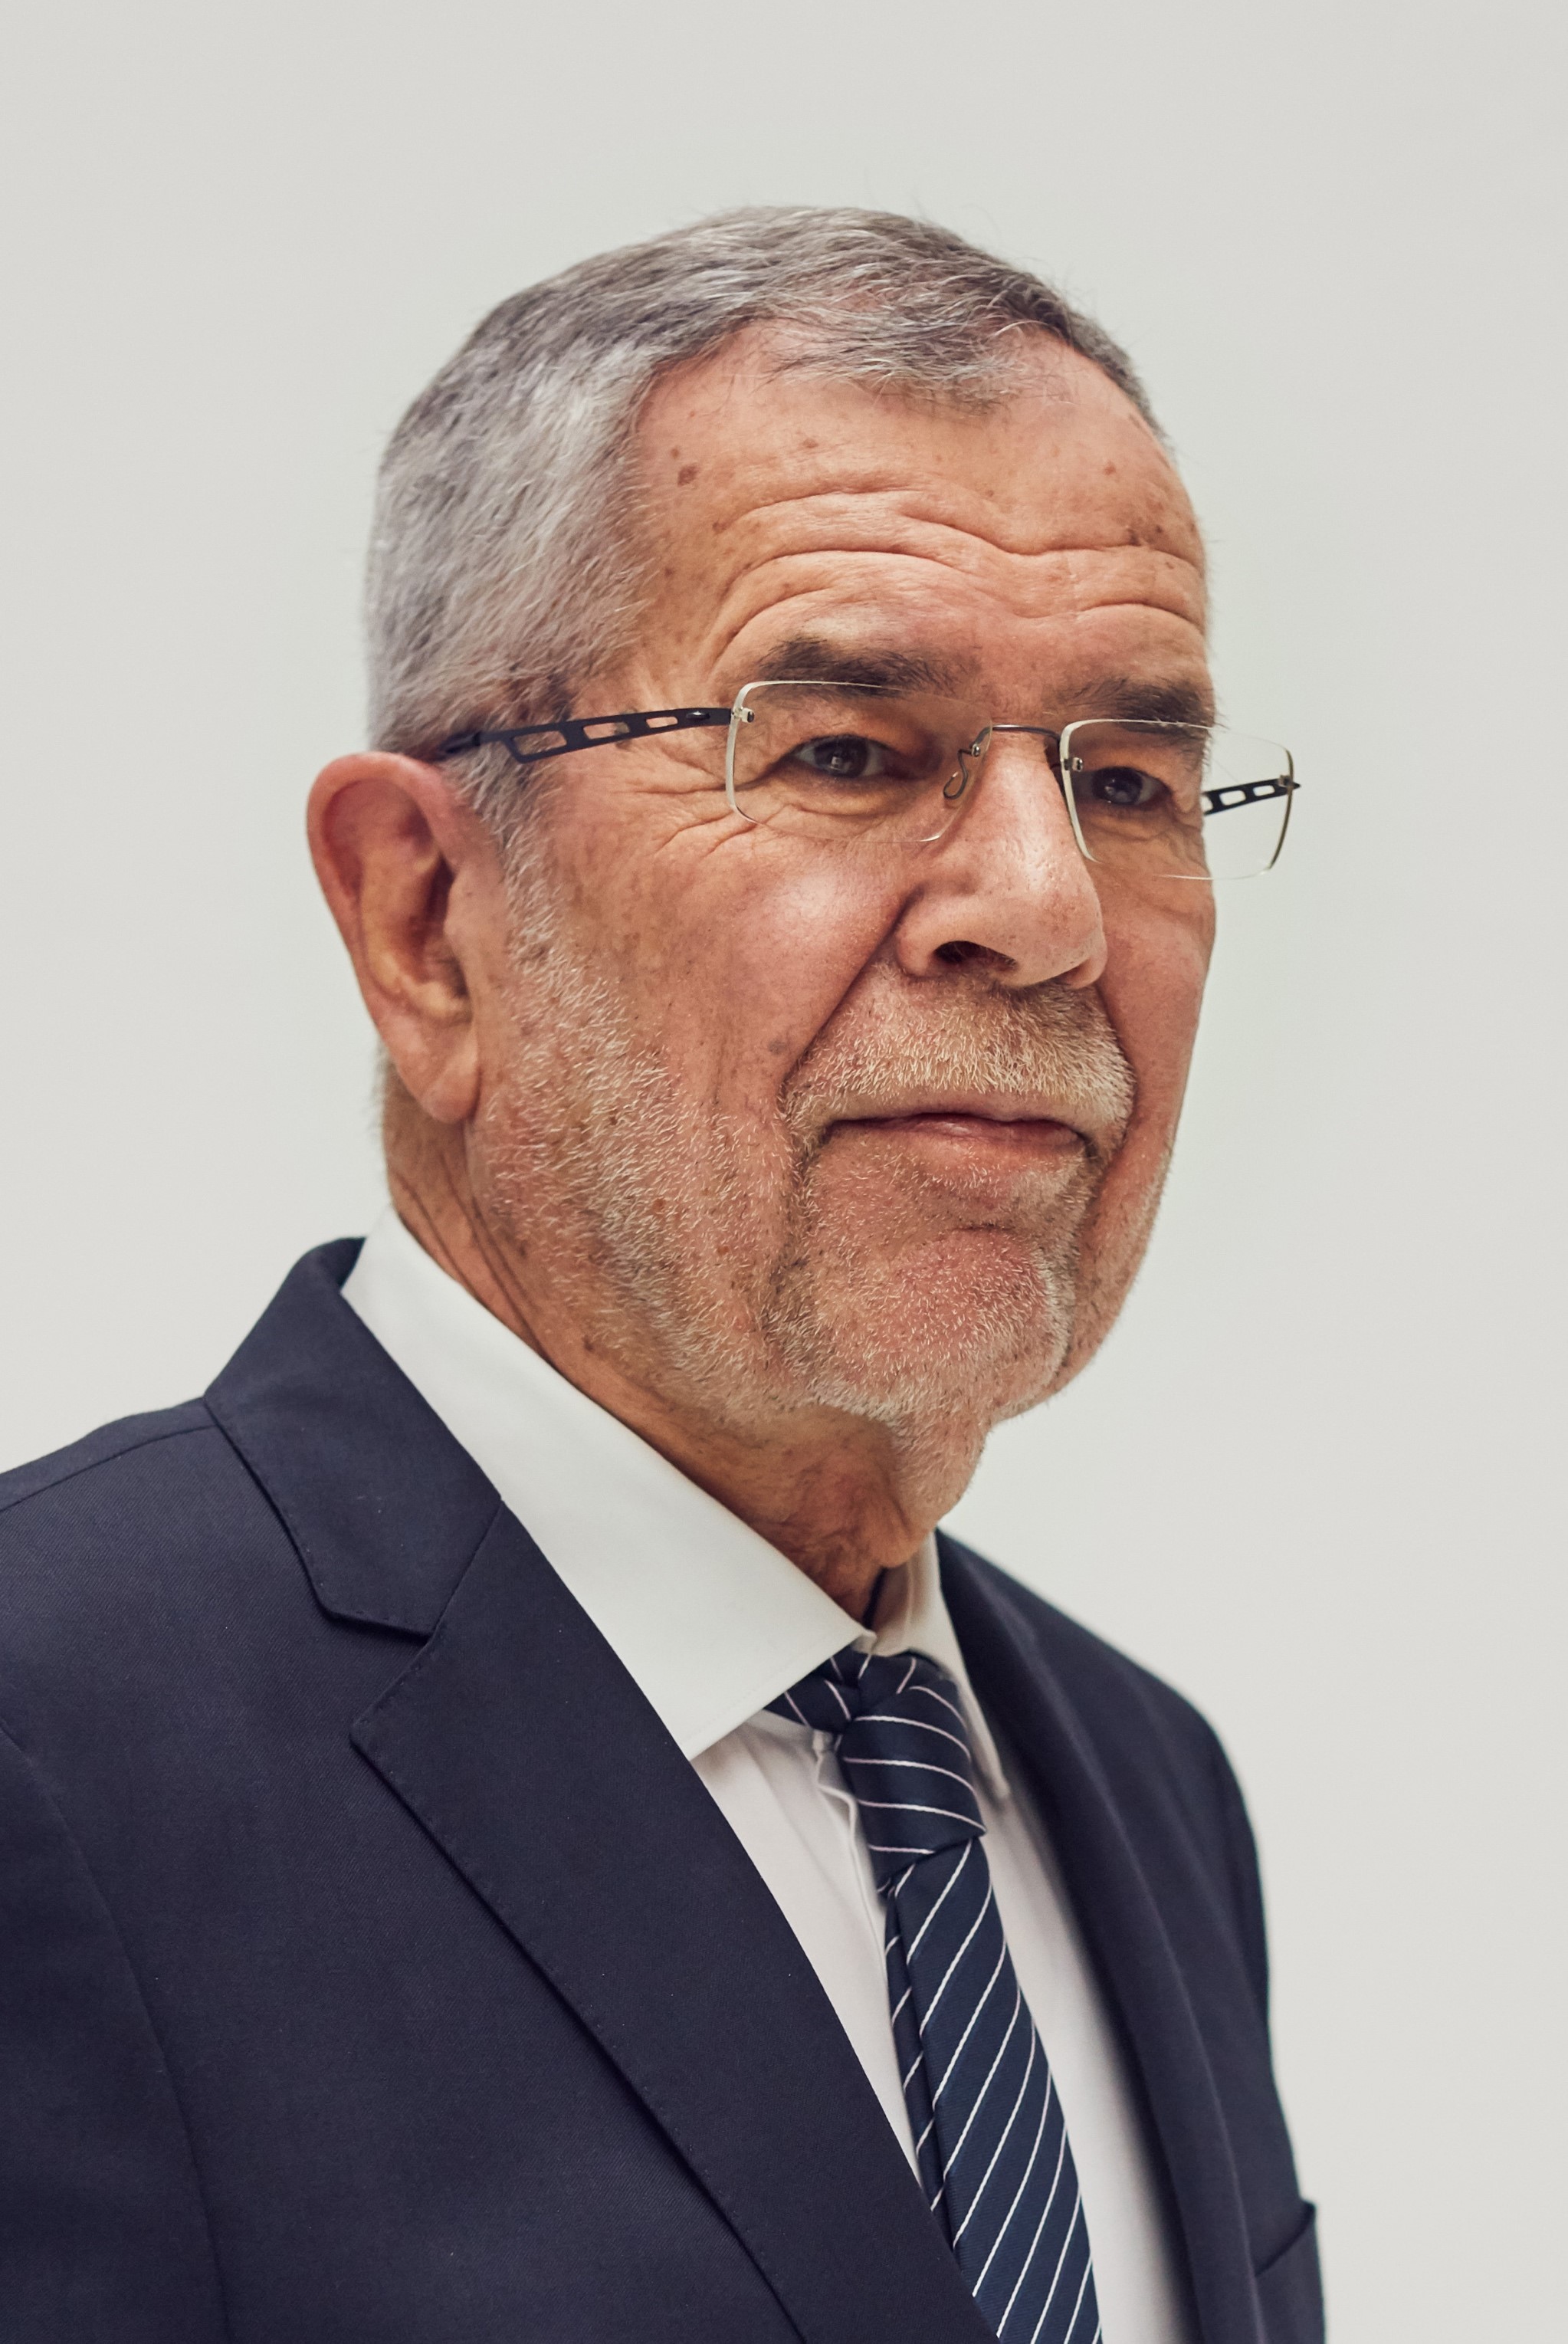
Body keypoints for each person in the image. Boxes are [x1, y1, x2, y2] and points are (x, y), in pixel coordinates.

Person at [0, 208, 1320, 2344]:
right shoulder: (50, 1744)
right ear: (426, 918)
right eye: (846, 752)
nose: (1049, 908)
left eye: (1135, 780)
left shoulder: (1147, 1788)